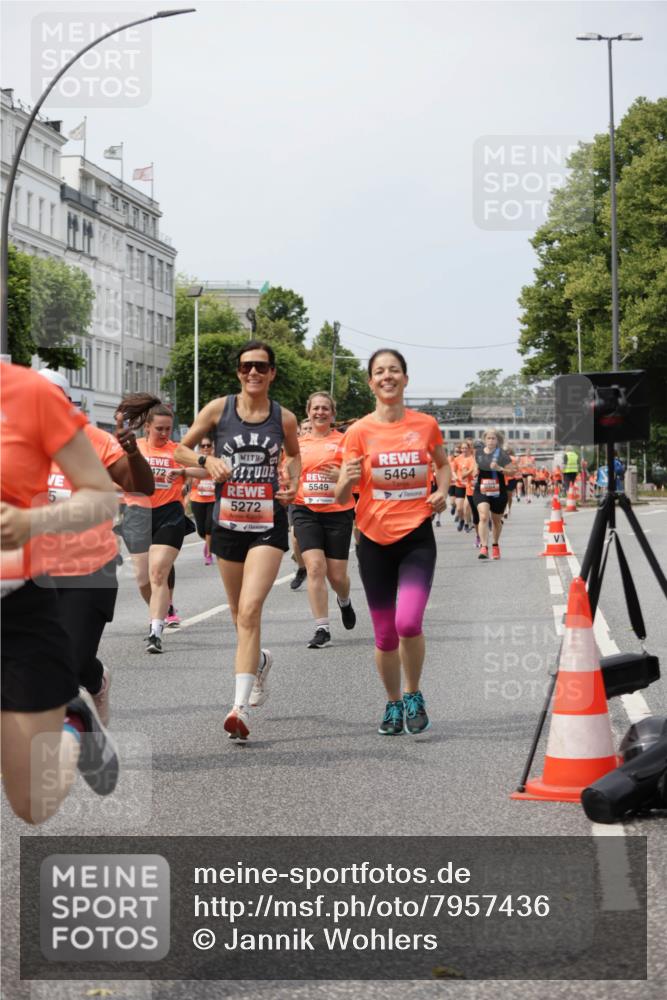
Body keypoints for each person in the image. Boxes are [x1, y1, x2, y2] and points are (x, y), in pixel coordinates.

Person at [1, 362, 119, 824]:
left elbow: (102, 496)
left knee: (32, 803)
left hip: (15, 609)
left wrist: (33, 522)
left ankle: (75, 724)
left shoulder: (29, 394)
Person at [174, 340, 301, 741]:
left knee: (249, 611)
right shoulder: (218, 409)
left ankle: (239, 708)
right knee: (237, 616)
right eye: (246, 366)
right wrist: (204, 460)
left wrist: (292, 483)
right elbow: (179, 449)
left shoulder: (284, 418)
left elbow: (294, 457)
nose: (253, 373)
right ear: (238, 372)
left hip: (267, 524)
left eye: (261, 366)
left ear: (272, 373)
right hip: (227, 524)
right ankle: (260, 661)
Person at [336, 349, 450, 736]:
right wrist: (348, 478)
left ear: (405, 379)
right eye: (380, 372)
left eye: (394, 371)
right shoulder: (358, 432)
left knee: (408, 621)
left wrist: (443, 492)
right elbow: (339, 498)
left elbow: (443, 465)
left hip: (417, 535)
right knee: (385, 634)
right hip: (372, 540)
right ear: (371, 382)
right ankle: (392, 702)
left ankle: (414, 693)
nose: (387, 376)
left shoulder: (426, 425)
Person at [35, 370, 154, 727]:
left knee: (68, 661)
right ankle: (95, 678)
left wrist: (132, 453)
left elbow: (141, 486)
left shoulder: (94, 441)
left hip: (89, 569)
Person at [119, 397, 200, 654]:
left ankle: (155, 631)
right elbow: (112, 475)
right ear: (147, 428)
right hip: (137, 513)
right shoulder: (135, 448)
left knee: (158, 572)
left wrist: (184, 472)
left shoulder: (177, 451)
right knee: (143, 578)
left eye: (168, 428)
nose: (165, 433)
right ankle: (161, 609)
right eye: (159, 429)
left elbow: (208, 470)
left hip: (169, 514)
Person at [291, 392, 356, 648]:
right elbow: (289, 475)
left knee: (337, 576)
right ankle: (322, 628)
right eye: (315, 408)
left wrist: (342, 475)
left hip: (338, 512)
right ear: (308, 411)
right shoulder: (296, 445)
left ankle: (345, 600)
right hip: (305, 510)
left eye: (325, 408)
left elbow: (360, 479)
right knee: (316, 567)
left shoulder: (345, 442)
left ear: (333, 413)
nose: (320, 412)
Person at [472, 428, 517, 560]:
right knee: (484, 516)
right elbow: (476, 466)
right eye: (488, 438)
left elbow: (513, 471)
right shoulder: (479, 453)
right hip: (481, 489)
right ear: (484, 440)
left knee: (497, 521)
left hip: (498, 491)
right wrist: (475, 472)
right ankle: (484, 547)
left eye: (493, 438)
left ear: (497, 440)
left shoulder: (502, 454)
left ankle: (495, 545)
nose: (491, 441)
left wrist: (500, 468)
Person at [189, 435, 216, 566]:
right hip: (197, 498)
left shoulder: (217, 461)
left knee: (209, 526)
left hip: (213, 498)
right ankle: (208, 542)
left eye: (208, 445)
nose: (205, 448)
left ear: (212, 447)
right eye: (203, 446)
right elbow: (188, 480)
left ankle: (209, 554)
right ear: (199, 448)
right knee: (201, 530)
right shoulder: (194, 461)